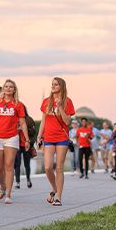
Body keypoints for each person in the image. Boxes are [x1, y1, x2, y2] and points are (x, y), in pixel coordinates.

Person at [0, 79, 29, 204]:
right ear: (3, 88)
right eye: (6, 86)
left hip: (12, 137)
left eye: (11, 87)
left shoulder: (18, 104)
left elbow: (22, 122)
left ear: (14, 89)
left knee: (9, 166)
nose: (8, 88)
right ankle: (3, 186)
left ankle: (8, 195)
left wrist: (27, 139)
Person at [36, 77, 75, 206]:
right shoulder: (46, 101)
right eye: (52, 84)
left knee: (59, 167)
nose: (53, 86)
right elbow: (43, 121)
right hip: (48, 137)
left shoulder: (67, 102)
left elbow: (68, 121)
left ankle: (58, 197)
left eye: (56, 84)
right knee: (47, 167)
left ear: (61, 86)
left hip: (62, 138)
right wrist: (39, 135)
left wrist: (60, 107)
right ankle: (54, 188)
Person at [14, 105, 35, 189]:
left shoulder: (29, 119)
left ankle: (28, 180)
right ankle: (17, 182)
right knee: (17, 164)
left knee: (27, 164)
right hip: (16, 144)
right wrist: (17, 129)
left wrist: (24, 129)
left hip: (27, 144)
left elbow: (33, 132)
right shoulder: (14, 118)